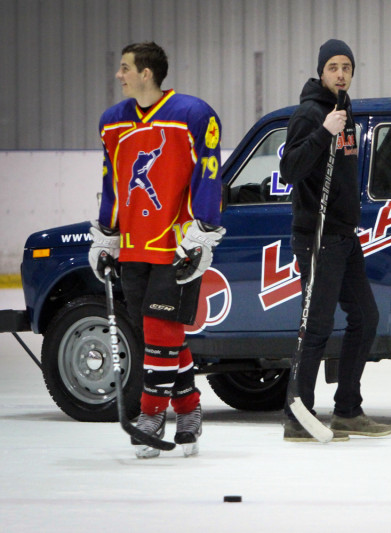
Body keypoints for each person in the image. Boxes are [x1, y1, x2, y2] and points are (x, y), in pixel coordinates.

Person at [88, 42, 225, 458]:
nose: (120, 75)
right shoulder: (112, 123)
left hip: (177, 245)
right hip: (131, 247)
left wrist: (203, 231)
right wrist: (107, 234)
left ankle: (151, 414)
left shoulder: (194, 115)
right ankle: (189, 410)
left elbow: (209, 173)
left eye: (125, 67)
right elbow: (112, 182)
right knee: (160, 337)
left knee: (161, 333)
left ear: (146, 73)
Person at [279, 39, 391, 442]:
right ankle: (298, 415)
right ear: (321, 72)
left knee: (365, 317)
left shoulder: (346, 110)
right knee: (317, 325)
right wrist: (322, 134)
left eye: (346, 67)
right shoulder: (310, 114)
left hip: (344, 233)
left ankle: (347, 410)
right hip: (317, 235)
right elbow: (290, 169)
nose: (341, 74)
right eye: (333, 67)